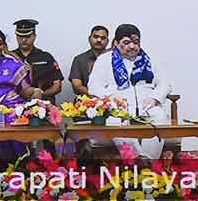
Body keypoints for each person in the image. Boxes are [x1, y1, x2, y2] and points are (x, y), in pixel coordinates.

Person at [87, 24, 170, 158]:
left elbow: (165, 83)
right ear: (116, 43)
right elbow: (93, 86)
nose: (132, 46)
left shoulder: (150, 59)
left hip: (147, 106)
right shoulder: (105, 60)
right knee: (114, 121)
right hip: (119, 108)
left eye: (136, 42)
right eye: (126, 42)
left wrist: (155, 98)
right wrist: (112, 98)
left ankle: (150, 161)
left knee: (160, 117)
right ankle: (138, 161)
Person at [11, 19, 64, 102]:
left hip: (44, 103)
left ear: (34, 36)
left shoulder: (46, 57)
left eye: (27, 36)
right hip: (15, 104)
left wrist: (41, 94)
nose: (24, 40)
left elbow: (57, 86)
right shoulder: (9, 58)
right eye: (20, 36)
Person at [68, 25, 110, 97]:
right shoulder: (79, 59)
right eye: (95, 37)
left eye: (103, 38)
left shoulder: (114, 59)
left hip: (112, 98)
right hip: (86, 99)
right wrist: (96, 95)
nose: (99, 40)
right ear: (89, 39)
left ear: (107, 41)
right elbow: (76, 86)